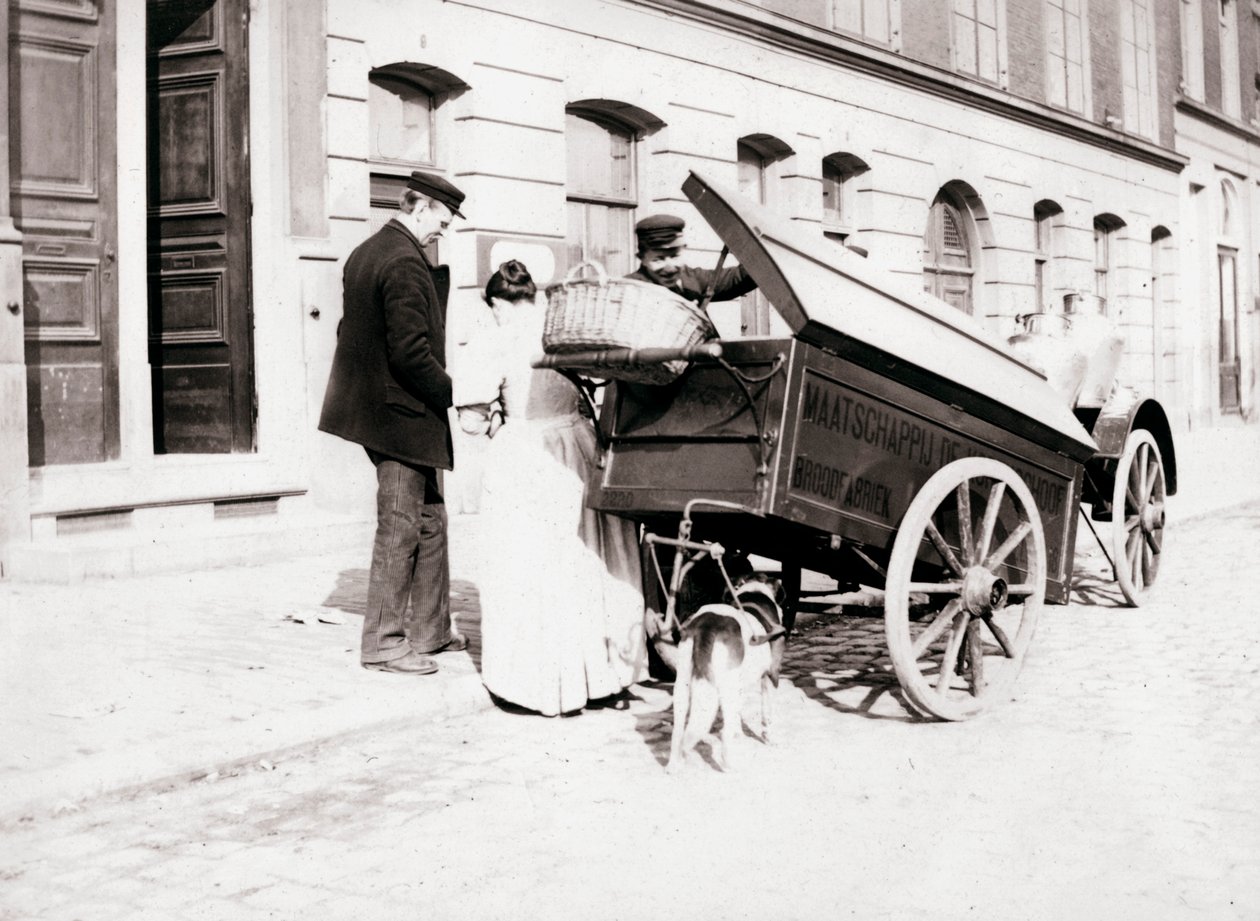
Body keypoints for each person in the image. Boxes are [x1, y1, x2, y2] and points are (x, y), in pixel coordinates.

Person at [453, 260, 646, 715]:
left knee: (532, 564)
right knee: (592, 557)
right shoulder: (564, 330)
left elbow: (471, 422)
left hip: (528, 453)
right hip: (578, 446)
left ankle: (543, 687)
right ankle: (608, 679)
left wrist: (498, 421)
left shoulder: (491, 341)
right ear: (534, 298)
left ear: (498, 303)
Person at [318, 170, 469, 675]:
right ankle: (383, 642)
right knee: (402, 524)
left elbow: (350, 329)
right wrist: (459, 395)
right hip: (399, 414)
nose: (441, 233)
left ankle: (431, 630)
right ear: (420, 207)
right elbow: (410, 354)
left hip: (379, 409)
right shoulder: (405, 261)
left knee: (430, 518)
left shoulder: (368, 250)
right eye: (441, 223)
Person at [625, 213, 757, 303]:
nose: (670, 268)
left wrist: (762, 257)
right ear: (641, 258)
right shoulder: (630, 290)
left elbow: (737, 278)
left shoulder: (692, 278)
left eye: (675, 256)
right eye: (658, 259)